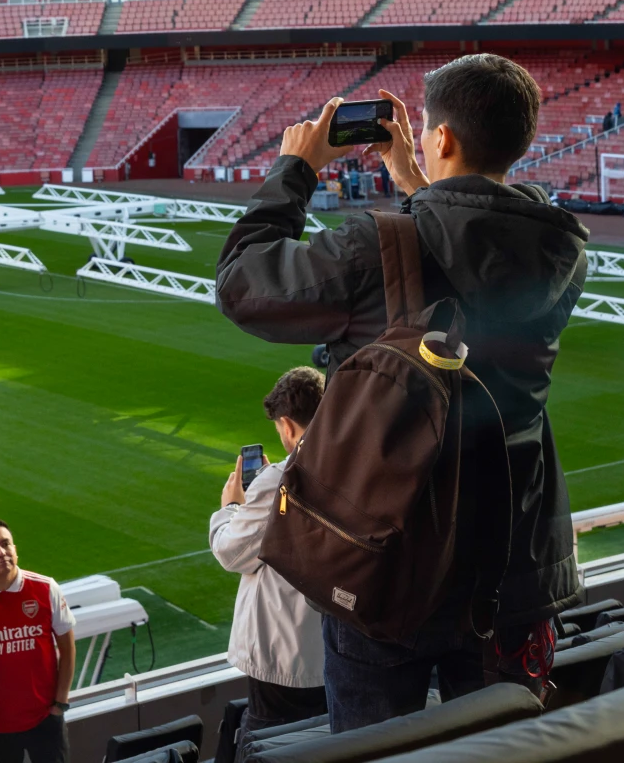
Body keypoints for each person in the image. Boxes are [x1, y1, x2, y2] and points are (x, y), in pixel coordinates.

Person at [216, 53, 589, 731]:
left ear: (441, 138)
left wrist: (296, 167)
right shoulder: (562, 249)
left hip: (388, 562)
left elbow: (243, 286)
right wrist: (419, 184)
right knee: (502, 748)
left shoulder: (374, 244)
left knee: (374, 749)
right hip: (514, 566)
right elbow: (472, 248)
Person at [210, 367, 330, 742]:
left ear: (288, 425)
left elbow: (232, 554)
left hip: (281, 658)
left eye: (279, 428)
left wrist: (230, 508)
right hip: (331, 651)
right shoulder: (350, 465)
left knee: (271, 743)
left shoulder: (279, 480)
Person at [0, 519, 75, 763]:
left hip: (46, 717)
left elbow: (67, 649)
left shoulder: (46, 588)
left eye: (6, 544)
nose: (1, 552)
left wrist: (60, 703)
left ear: (15, 549)